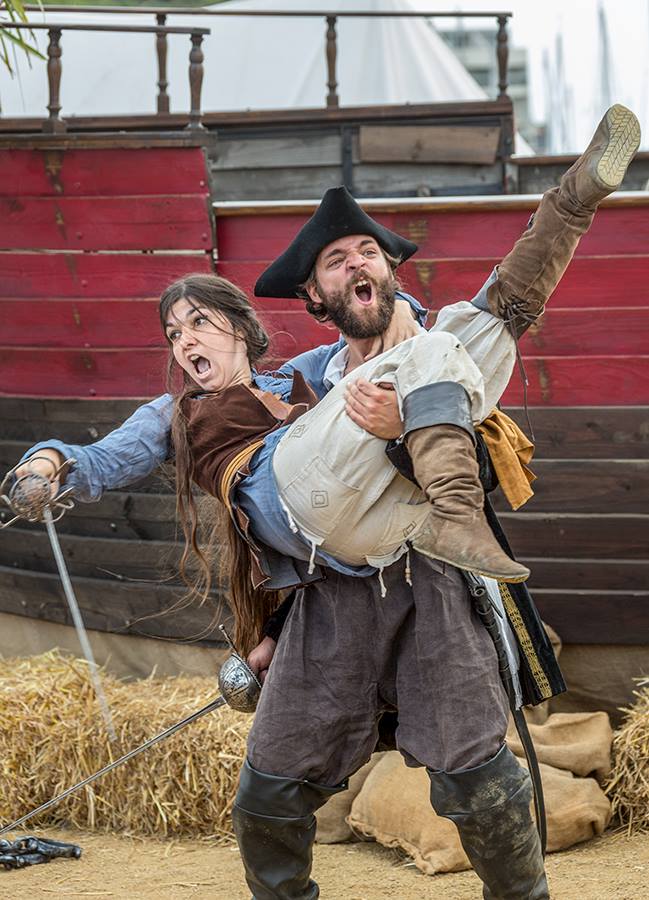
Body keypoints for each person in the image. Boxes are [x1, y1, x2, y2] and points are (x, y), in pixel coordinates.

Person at [14, 105, 640, 898]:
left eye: (367, 252)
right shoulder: (296, 382)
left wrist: (403, 431)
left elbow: (488, 464)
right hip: (328, 595)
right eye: (336, 261)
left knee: (478, 781)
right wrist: (50, 465)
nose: (356, 264)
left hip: (431, 576)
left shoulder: (432, 352)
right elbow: (120, 451)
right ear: (313, 294)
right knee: (269, 789)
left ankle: (572, 199)